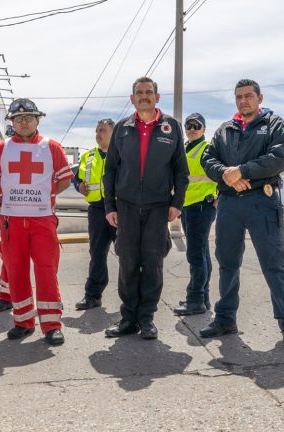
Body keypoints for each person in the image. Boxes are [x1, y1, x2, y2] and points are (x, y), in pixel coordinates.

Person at [200, 79, 284, 348]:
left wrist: (241, 171)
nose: (243, 100)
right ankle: (225, 319)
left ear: (259, 98)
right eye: (239, 97)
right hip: (230, 204)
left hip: (262, 201)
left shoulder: (274, 124)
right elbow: (207, 159)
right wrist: (226, 174)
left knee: (274, 265)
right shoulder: (225, 130)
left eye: (248, 96)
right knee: (227, 263)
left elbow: (277, 158)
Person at [103, 77, 189, 340]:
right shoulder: (122, 128)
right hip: (126, 206)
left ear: (157, 96)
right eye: (139, 93)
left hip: (158, 207)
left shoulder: (171, 127)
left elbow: (180, 171)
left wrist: (177, 203)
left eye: (148, 92)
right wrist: (110, 206)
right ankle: (128, 318)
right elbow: (110, 171)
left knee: (153, 263)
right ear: (132, 98)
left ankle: (147, 318)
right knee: (128, 262)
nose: (144, 96)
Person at [0, 98, 74, 345]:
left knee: (46, 270)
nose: (23, 122)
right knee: (16, 271)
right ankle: (23, 321)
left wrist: (47, 194)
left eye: (28, 118)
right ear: (12, 122)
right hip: (12, 220)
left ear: (38, 120)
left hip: (42, 219)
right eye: (18, 118)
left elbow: (65, 179)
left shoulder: (51, 146)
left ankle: (52, 325)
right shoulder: (2, 147)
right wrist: (12, 193)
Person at [174, 113, 217, 316]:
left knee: (195, 255)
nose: (192, 128)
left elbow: (219, 173)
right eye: (189, 125)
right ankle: (203, 298)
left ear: (203, 129)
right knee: (201, 254)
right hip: (187, 207)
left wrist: (218, 196)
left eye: (196, 125)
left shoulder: (206, 148)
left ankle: (195, 300)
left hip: (201, 206)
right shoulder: (185, 148)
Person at [74, 118, 117, 310]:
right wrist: (79, 186)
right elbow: (77, 179)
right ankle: (92, 295)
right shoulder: (88, 156)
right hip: (97, 210)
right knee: (97, 253)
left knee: (127, 254)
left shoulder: (122, 153)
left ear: (113, 133)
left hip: (119, 210)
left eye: (103, 130)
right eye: (97, 130)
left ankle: (132, 298)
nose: (98, 134)